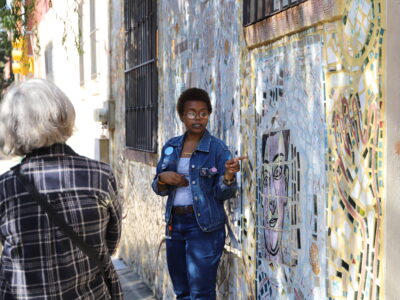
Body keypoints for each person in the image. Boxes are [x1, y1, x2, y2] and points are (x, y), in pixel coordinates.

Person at [0, 79, 123, 300]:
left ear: (13, 127)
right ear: (63, 115)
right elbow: (111, 242)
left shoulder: (5, 189)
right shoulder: (100, 176)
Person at [152, 87, 246, 300]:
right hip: (174, 225)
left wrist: (229, 176)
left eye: (203, 113)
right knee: (182, 292)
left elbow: (223, 194)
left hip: (204, 227)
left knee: (201, 293)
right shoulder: (171, 147)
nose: (198, 118)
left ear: (208, 115)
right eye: (192, 113)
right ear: (183, 116)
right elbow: (157, 187)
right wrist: (162, 179)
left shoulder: (217, 149)